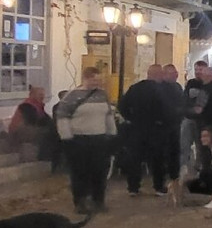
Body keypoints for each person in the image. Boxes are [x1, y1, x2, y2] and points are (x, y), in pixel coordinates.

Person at [55, 67, 116, 214]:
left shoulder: (102, 95)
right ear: (85, 79)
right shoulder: (71, 97)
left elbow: (108, 115)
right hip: (79, 139)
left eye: (99, 80)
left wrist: (112, 132)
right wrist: (67, 138)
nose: (97, 83)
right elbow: (62, 118)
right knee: (80, 172)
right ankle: (80, 201)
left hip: (99, 138)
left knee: (100, 171)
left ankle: (98, 200)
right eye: (94, 80)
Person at [118, 64, 169, 197]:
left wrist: (130, 118)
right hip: (156, 129)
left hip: (136, 128)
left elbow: (122, 106)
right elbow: (166, 109)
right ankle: (158, 187)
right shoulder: (161, 90)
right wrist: (163, 122)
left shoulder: (135, 88)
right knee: (157, 159)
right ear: (158, 74)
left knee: (135, 159)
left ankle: (133, 188)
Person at [6, 85, 52, 161]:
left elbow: (45, 119)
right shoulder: (26, 105)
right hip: (18, 132)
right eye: (40, 94)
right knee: (47, 134)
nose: (42, 97)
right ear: (32, 95)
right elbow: (33, 121)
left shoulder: (38, 105)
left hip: (27, 130)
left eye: (43, 94)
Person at [181, 60, 209, 177]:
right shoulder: (191, 83)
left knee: (200, 145)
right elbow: (185, 98)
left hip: (202, 120)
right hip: (188, 118)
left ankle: (199, 168)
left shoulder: (208, 84)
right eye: (196, 69)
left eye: (200, 69)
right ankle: (184, 168)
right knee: (184, 144)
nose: (198, 72)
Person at [160, 64, 186, 191]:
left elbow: (182, 102)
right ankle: (164, 177)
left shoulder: (177, 87)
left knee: (175, 150)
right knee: (165, 152)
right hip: (163, 125)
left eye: (176, 73)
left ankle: (174, 175)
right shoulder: (160, 88)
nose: (175, 75)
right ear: (165, 75)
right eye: (172, 73)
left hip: (176, 124)